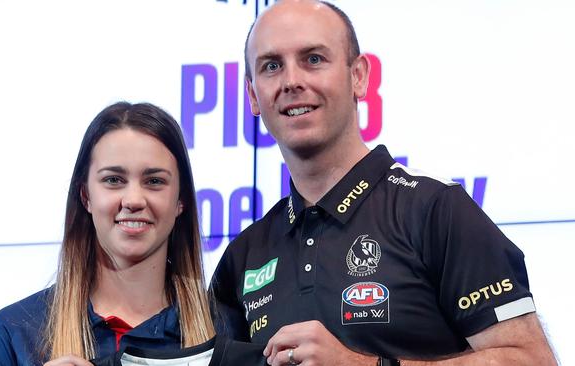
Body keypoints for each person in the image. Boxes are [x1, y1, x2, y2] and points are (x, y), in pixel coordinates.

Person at [210, 1, 557, 365]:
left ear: (359, 76)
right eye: (272, 66)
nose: (292, 81)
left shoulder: (436, 209)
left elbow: (533, 359)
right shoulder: (244, 256)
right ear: (252, 95)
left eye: (313, 59)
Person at [0, 102, 215, 365]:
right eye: (113, 180)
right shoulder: (13, 333)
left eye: (154, 181)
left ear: (181, 200)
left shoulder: (224, 330)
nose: (133, 200)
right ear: (86, 196)